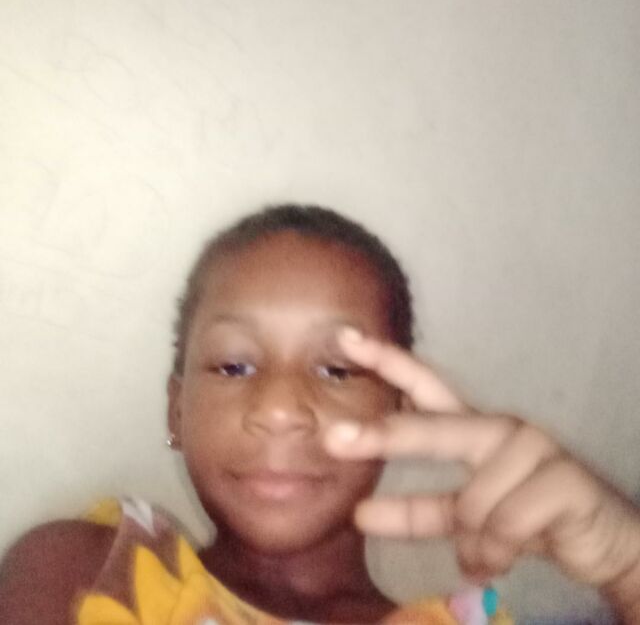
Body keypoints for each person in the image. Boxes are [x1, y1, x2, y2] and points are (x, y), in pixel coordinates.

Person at [0, 204, 639, 625]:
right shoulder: (92, 570)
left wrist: (628, 567)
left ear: (399, 417)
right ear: (177, 410)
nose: (279, 409)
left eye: (336, 370)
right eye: (233, 365)